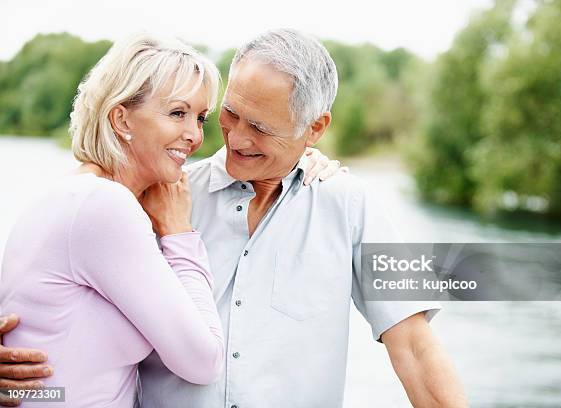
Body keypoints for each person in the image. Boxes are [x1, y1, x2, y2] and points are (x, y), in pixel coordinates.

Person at [0, 29, 467, 407]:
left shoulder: (352, 203)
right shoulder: (155, 194)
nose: (236, 139)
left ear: (316, 128)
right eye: (229, 115)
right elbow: (46, 282)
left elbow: (416, 347)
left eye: (261, 127)